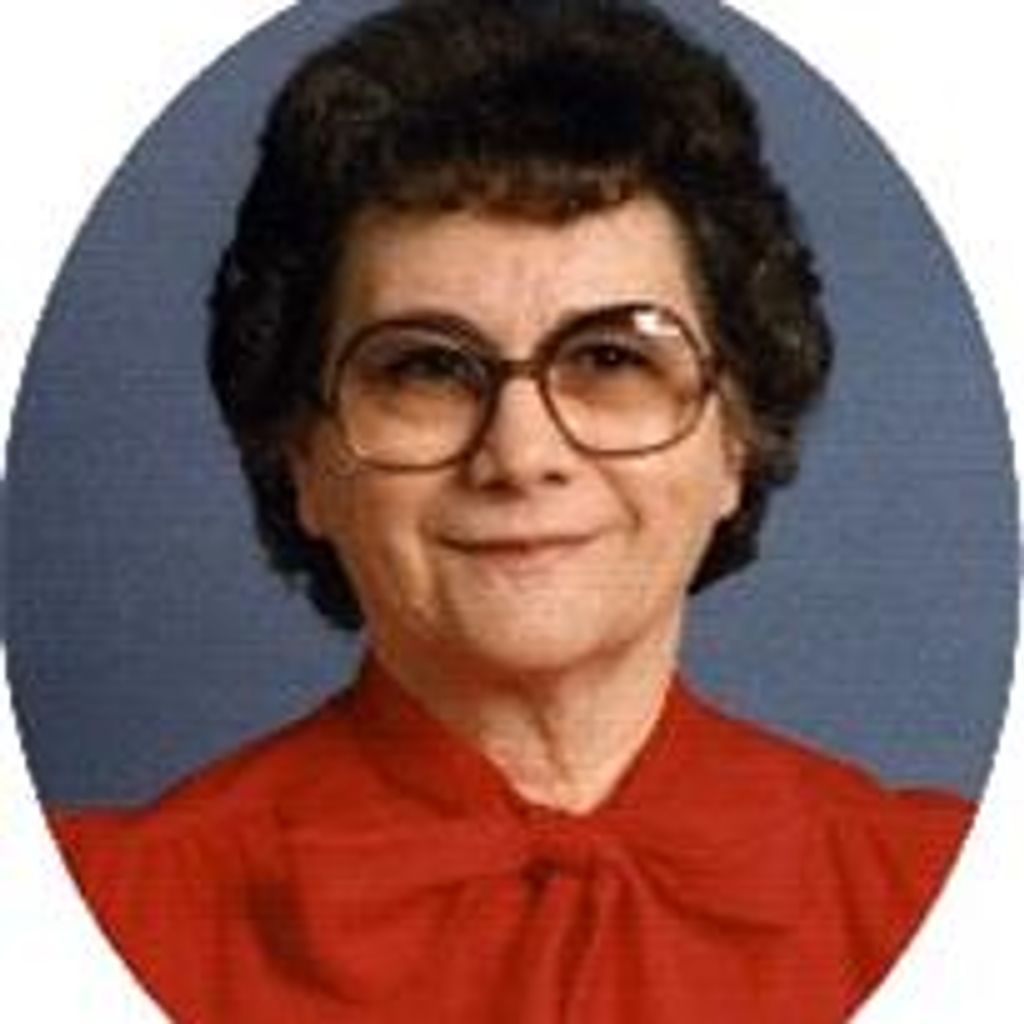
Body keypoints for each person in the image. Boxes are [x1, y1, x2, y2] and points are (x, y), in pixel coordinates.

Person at [49, 1, 972, 1021]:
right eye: (426, 369)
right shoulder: (91, 914)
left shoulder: (947, 894)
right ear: (301, 456)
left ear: (735, 440)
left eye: (611, 357)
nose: (521, 455)